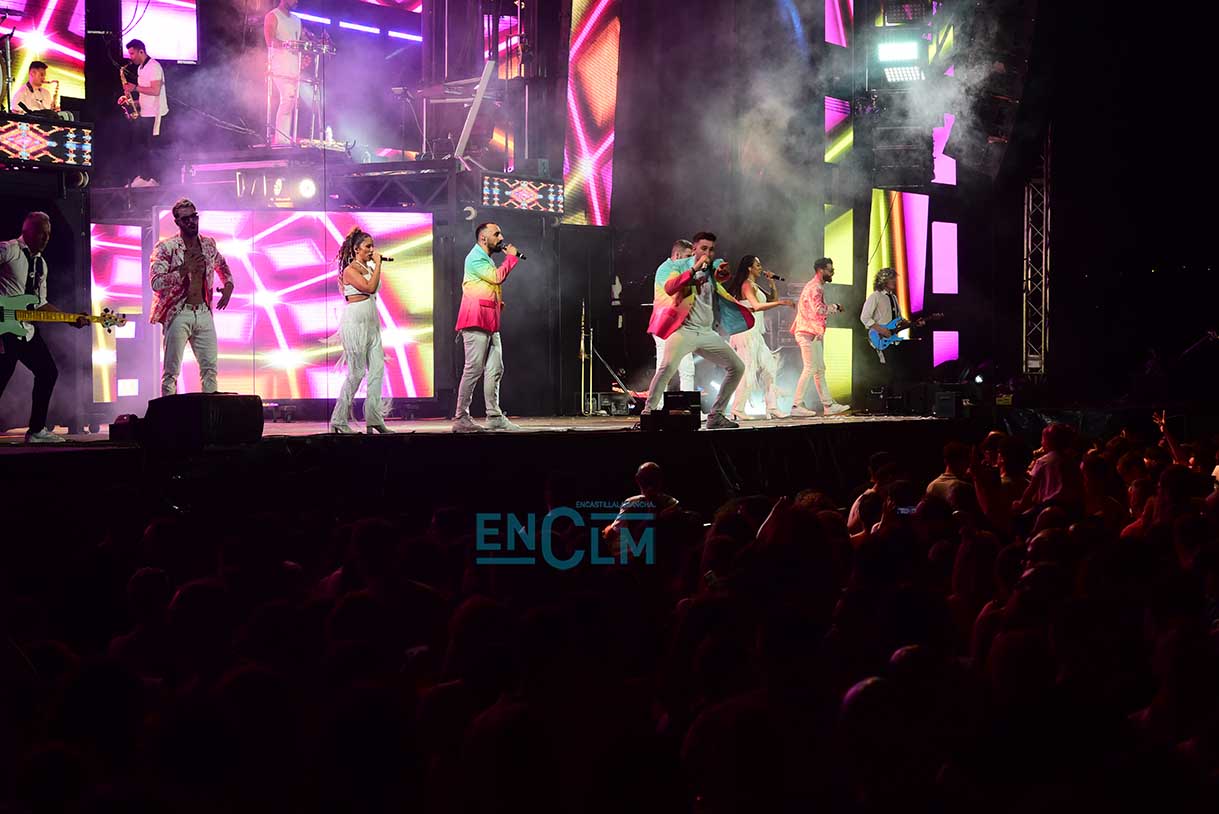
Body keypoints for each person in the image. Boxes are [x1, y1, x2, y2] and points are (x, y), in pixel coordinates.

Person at [641, 231, 752, 430]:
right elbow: (670, 287)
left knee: (737, 367)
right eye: (704, 249)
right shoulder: (677, 266)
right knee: (666, 368)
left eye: (711, 249)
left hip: (706, 333)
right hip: (683, 330)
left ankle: (716, 416)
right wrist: (694, 269)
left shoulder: (711, 268)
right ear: (694, 249)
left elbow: (721, 275)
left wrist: (720, 270)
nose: (708, 253)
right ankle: (648, 413)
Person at [0, 212, 87, 443]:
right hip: (5, 329)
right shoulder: (8, 250)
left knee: (48, 372)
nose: (46, 238)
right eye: (41, 233)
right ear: (27, 231)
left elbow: (40, 303)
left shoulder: (41, 264)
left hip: (26, 329)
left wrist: (69, 318)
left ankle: (36, 430)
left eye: (48, 234)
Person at [149, 199, 234, 397]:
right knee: (171, 373)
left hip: (203, 312)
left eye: (194, 217)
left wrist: (229, 285)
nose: (191, 222)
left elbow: (222, 265)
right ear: (177, 222)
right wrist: (183, 270)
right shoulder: (166, 247)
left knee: (210, 369)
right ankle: (169, 414)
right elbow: (156, 282)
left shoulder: (208, 244)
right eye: (185, 219)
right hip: (179, 312)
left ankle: (211, 414)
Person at [453, 222, 523, 433]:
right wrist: (511, 258)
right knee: (473, 369)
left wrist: (497, 303)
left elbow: (486, 285)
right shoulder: (474, 257)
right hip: (475, 320)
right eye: (496, 234)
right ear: (483, 238)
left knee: (495, 368)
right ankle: (461, 418)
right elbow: (496, 278)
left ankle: (494, 416)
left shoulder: (486, 259)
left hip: (489, 321)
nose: (501, 238)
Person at [329, 227, 391, 434]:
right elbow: (369, 288)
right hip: (355, 323)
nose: (372, 250)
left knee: (377, 369)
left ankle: (374, 419)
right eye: (368, 246)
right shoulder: (350, 270)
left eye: (373, 246)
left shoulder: (368, 267)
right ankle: (338, 419)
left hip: (372, 322)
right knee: (356, 373)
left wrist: (375, 266)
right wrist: (378, 264)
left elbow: (373, 289)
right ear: (357, 249)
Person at [724, 255, 794, 420]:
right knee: (748, 370)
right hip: (746, 333)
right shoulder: (747, 285)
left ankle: (772, 407)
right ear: (749, 268)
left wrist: (771, 283)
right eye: (758, 265)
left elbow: (771, 299)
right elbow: (756, 306)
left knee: (770, 367)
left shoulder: (755, 285)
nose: (761, 268)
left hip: (755, 334)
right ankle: (737, 408)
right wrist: (781, 303)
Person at [790, 257, 849, 417]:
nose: (832, 273)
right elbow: (819, 310)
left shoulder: (815, 286)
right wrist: (835, 307)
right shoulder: (815, 287)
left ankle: (828, 405)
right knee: (810, 368)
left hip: (811, 333)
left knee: (819, 369)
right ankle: (796, 405)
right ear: (821, 270)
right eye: (830, 270)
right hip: (806, 333)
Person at [122, 39, 168, 187]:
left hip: (155, 115)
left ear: (141, 51)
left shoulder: (154, 67)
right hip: (145, 114)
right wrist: (133, 102)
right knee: (141, 149)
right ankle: (144, 176)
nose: (131, 57)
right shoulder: (141, 68)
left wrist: (134, 88)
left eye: (132, 53)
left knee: (152, 150)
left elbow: (155, 90)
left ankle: (154, 179)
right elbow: (146, 94)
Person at [654, 239, 696, 394]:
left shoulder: (682, 272)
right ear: (677, 255)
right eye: (688, 256)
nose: (691, 260)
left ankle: (689, 405)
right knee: (664, 370)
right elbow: (675, 292)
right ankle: (657, 405)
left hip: (679, 327)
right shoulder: (665, 269)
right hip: (665, 326)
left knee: (687, 369)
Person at [264, 0, 304, 145]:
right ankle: (281, 140)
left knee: (292, 102)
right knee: (288, 97)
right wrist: (287, 44)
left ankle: (285, 138)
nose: (296, 1)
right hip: (279, 66)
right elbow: (270, 41)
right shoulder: (273, 16)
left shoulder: (297, 20)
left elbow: (300, 43)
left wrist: (303, 55)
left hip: (294, 67)